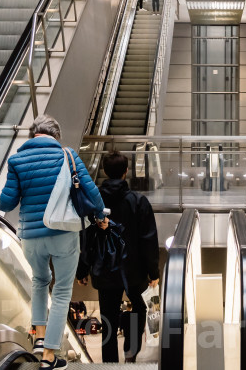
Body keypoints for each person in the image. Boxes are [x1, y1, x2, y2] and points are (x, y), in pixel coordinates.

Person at [0, 116, 106, 370]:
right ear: (56, 136)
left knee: (39, 282)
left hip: (31, 238)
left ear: (34, 135)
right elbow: (93, 194)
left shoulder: (16, 160)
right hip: (63, 234)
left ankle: (39, 338)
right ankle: (49, 356)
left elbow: (7, 202)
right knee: (62, 291)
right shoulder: (67, 156)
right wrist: (100, 217)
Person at [92, 151, 161, 362]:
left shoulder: (94, 202)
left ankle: (109, 364)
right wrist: (153, 272)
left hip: (104, 268)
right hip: (134, 270)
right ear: (126, 172)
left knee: (108, 319)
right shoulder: (138, 201)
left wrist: (83, 268)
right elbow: (148, 238)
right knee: (139, 308)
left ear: (104, 171)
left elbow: (86, 236)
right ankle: (131, 354)